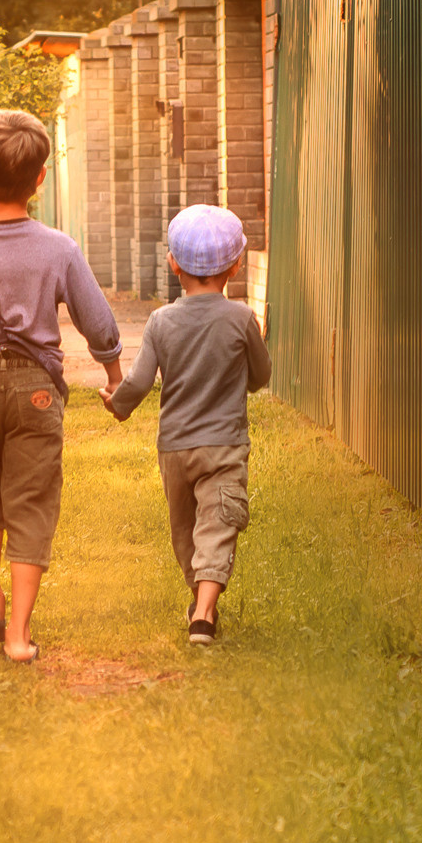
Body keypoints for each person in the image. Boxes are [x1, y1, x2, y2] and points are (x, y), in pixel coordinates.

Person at [0, 110, 125, 663]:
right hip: (36, 391)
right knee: (30, 504)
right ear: (40, 180)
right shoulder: (59, 248)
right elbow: (97, 320)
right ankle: (17, 636)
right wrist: (113, 373)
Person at [102, 205, 270, 644]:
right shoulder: (240, 318)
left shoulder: (161, 321)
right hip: (223, 446)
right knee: (218, 522)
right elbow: (261, 376)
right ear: (236, 266)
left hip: (174, 448)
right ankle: (206, 610)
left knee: (186, 531)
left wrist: (118, 405)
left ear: (172, 263)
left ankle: (201, 608)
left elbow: (138, 381)